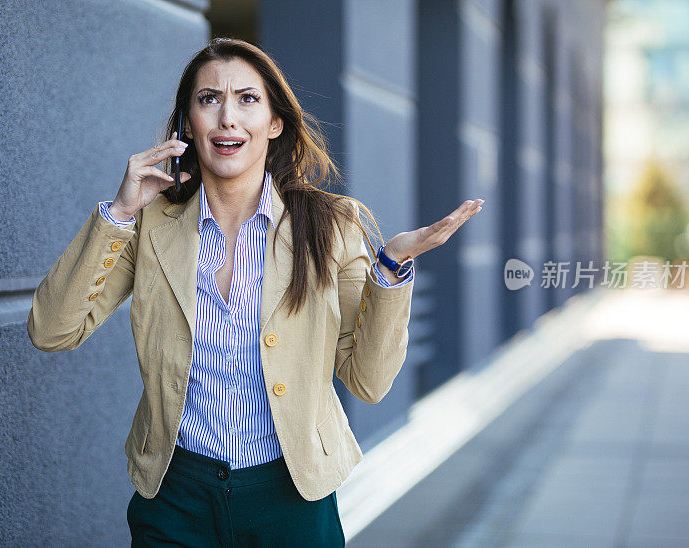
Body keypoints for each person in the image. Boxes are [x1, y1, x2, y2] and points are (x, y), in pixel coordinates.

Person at [27, 37, 483, 547]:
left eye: (247, 99)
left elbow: (369, 381)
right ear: (187, 123)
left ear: (274, 123)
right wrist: (118, 214)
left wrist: (391, 266)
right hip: (175, 495)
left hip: (290, 497)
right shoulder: (152, 224)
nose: (227, 118)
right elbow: (51, 330)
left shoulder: (330, 225)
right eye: (208, 100)